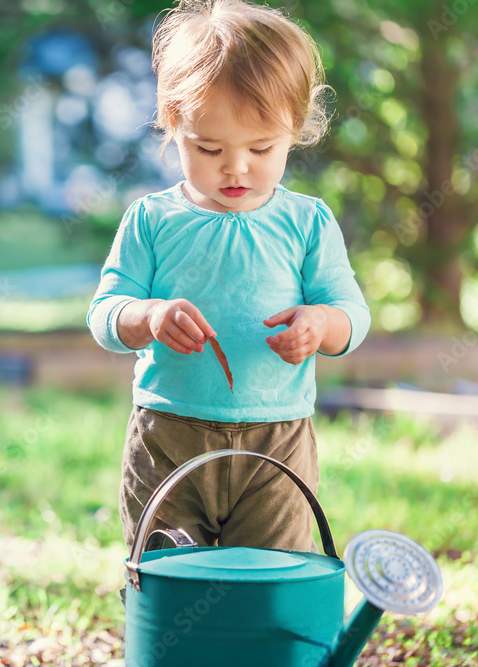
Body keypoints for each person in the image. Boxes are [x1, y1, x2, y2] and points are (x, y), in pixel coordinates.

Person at [87, 0, 370, 553]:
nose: (235, 167)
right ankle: (178, 642)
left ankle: (257, 644)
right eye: (208, 147)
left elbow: (352, 316)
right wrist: (147, 315)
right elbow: (105, 312)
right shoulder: (152, 219)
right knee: (166, 575)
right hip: (169, 435)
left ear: (297, 128)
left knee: (270, 577)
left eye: (261, 148)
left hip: (278, 442)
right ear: (174, 125)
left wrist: (320, 324)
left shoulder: (306, 222)